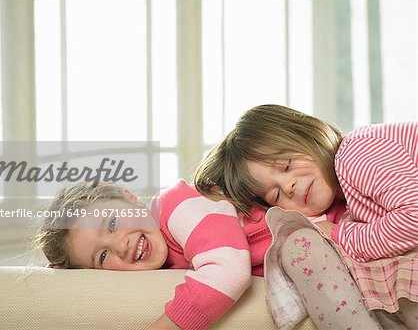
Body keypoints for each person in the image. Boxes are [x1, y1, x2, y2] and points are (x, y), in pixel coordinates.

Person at [195, 104, 418, 329]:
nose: (289, 186)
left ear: (309, 134)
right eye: (276, 194)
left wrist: (342, 234)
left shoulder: (356, 154)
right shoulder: (349, 199)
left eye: (286, 165)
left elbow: (413, 217)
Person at [35, 179, 270, 330]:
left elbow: (229, 271)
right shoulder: (163, 262)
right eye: (103, 256)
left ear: (131, 198)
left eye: (113, 223)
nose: (120, 246)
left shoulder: (176, 205)